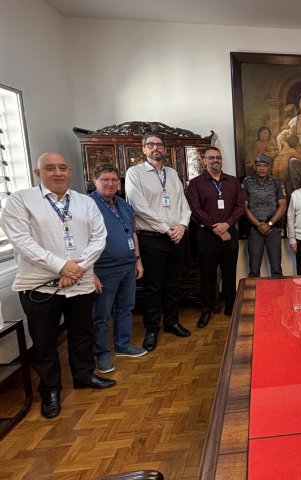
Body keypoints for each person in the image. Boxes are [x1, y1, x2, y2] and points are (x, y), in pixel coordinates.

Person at [0, 152, 114, 419]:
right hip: (40, 286)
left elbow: (99, 238)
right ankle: (51, 390)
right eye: (50, 168)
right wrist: (61, 266)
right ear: (38, 173)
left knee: (82, 333)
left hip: (80, 283)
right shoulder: (20, 200)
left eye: (63, 168)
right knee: (44, 341)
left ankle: (84, 375)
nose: (58, 172)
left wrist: (77, 270)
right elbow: (22, 242)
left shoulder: (85, 202)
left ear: (70, 172)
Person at [125, 133, 192, 351]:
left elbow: (183, 203)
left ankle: (172, 322)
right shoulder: (135, 173)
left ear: (164, 149)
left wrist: (182, 225)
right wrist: (166, 228)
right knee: (152, 287)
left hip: (177, 237)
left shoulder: (171, 173)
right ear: (144, 149)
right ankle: (152, 329)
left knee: (173, 284)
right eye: (151, 145)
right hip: (151, 238)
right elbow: (139, 206)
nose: (156, 148)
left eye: (159, 145)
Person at [90, 165, 146, 374]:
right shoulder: (89, 205)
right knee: (101, 314)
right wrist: (90, 273)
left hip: (127, 265)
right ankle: (102, 353)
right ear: (95, 182)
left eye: (114, 180)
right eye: (105, 180)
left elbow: (132, 233)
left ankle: (123, 345)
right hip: (103, 269)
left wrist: (137, 260)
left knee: (126, 307)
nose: (111, 184)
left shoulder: (123, 204)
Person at [187, 146, 245, 324]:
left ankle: (231, 309)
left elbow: (240, 206)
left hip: (229, 233)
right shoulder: (196, 183)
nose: (215, 160)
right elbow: (195, 209)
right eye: (211, 157)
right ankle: (206, 311)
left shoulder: (233, 182)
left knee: (230, 274)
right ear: (204, 161)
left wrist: (226, 225)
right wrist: (216, 228)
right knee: (207, 276)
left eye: (218, 157)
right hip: (206, 235)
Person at [242, 154, 287, 278]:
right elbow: (244, 207)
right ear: (254, 167)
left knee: (276, 269)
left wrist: (269, 224)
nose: (262, 168)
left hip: (273, 228)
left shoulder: (276, 182)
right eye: (259, 165)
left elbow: (282, 205)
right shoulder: (246, 182)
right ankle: (254, 291)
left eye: (265, 166)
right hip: (254, 229)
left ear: (269, 167)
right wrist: (258, 224)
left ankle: (277, 291)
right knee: (254, 269)